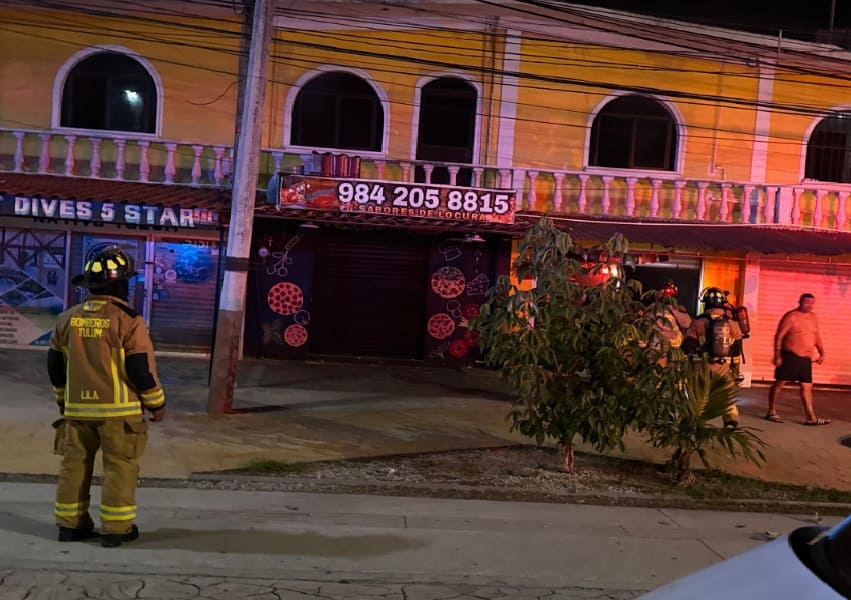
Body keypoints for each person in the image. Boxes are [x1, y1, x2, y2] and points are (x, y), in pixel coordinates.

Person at [47, 246, 166, 548]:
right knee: (119, 468)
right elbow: (139, 368)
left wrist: (62, 401)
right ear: (123, 284)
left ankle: (70, 526)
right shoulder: (128, 320)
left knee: (74, 466)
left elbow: (55, 366)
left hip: (77, 412)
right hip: (119, 415)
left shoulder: (66, 319)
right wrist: (156, 404)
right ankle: (115, 529)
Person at [681, 287, 743, 428]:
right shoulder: (732, 324)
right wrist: (735, 371)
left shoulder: (697, 322)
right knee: (727, 397)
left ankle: (694, 424)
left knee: (698, 398)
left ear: (706, 303)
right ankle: (730, 422)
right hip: (723, 368)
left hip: (701, 367)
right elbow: (737, 351)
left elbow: (688, 346)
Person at [765, 293, 829, 426]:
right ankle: (771, 411)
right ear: (800, 302)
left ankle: (810, 417)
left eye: (811, 303)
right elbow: (779, 336)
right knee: (779, 384)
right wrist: (777, 355)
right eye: (806, 302)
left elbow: (816, 336)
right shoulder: (791, 316)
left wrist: (822, 352)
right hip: (790, 356)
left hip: (805, 359)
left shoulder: (813, 317)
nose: (809, 305)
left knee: (807, 387)